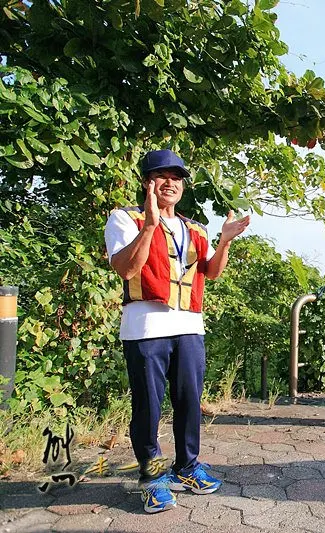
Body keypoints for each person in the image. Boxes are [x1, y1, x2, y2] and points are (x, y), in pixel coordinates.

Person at [104, 149, 250, 513]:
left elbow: (211, 272)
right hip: (145, 328)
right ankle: (151, 478)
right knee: (148, 407)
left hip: (188, 327)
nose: (170, 182)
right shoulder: (125, 219)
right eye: (161, 175)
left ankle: (186, 467)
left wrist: (225, 240)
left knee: (189, 402)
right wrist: (151, 225)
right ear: (147, 182)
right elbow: (125, 269)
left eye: (177, 177)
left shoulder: (194, 227)